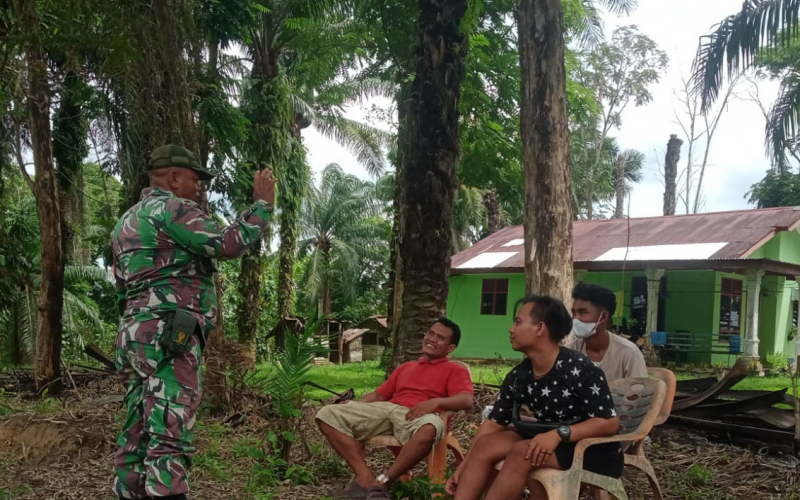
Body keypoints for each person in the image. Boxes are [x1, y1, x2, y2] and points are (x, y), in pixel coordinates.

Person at [111, 144, 276, 500]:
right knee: (170, 430)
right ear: (173, 178)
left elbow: (122, 289)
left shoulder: (124, 223)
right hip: (170, 337)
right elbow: (227, 244)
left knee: (136, 430)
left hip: (133, 338)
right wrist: (261, 205)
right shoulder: (175, 209)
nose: (198, 187)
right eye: (194, 179)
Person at [446, 295, 622, 500]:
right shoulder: (519, 375)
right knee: (486, 444)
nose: (511, 329)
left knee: (523, 451)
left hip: (589, 447)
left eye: (518, 322)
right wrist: (463, 466)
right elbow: (493, 423)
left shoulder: (582, 369)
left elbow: (609, 423)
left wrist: (559, 434)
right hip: (543, 438)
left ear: (539, 328)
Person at [316, 318, 473, 500]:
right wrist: (354, 406)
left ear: (450, 348)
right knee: (326, 414)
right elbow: (379, 396)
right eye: (431, 333)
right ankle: (365, 477)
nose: (432, 339)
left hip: (419, 415)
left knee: (430, 427)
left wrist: (435, 403)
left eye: (440, 337)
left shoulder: (455, 370)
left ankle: (383, 481)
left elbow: (466, 399)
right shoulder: (406, 367)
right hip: (386, 409)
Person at [568, 283, 647, 381]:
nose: (575, 318)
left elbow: (638, 394)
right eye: (574, 313)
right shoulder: (569, 353)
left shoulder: (629, 354)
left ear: (604, 317)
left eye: (583, 312)